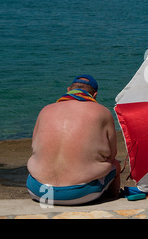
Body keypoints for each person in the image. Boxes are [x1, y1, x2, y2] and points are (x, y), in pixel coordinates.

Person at [26, 74, 121, 205]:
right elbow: (112, 154)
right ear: (94, 95)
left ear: (68, 89)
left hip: (38, 191)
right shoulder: (103, 112)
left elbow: (34, 148)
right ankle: (113, 200)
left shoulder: (45, 110)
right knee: (115, 165)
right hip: (79, 194)